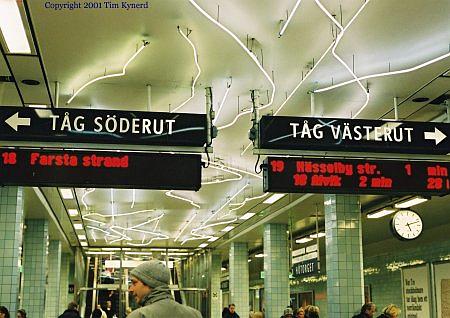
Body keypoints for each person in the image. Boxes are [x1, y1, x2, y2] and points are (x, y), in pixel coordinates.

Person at [127, 259, 202, 317]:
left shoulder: (140, 315)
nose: (130, 289)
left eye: (134, 283)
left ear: (150, 283)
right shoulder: (195, 314)